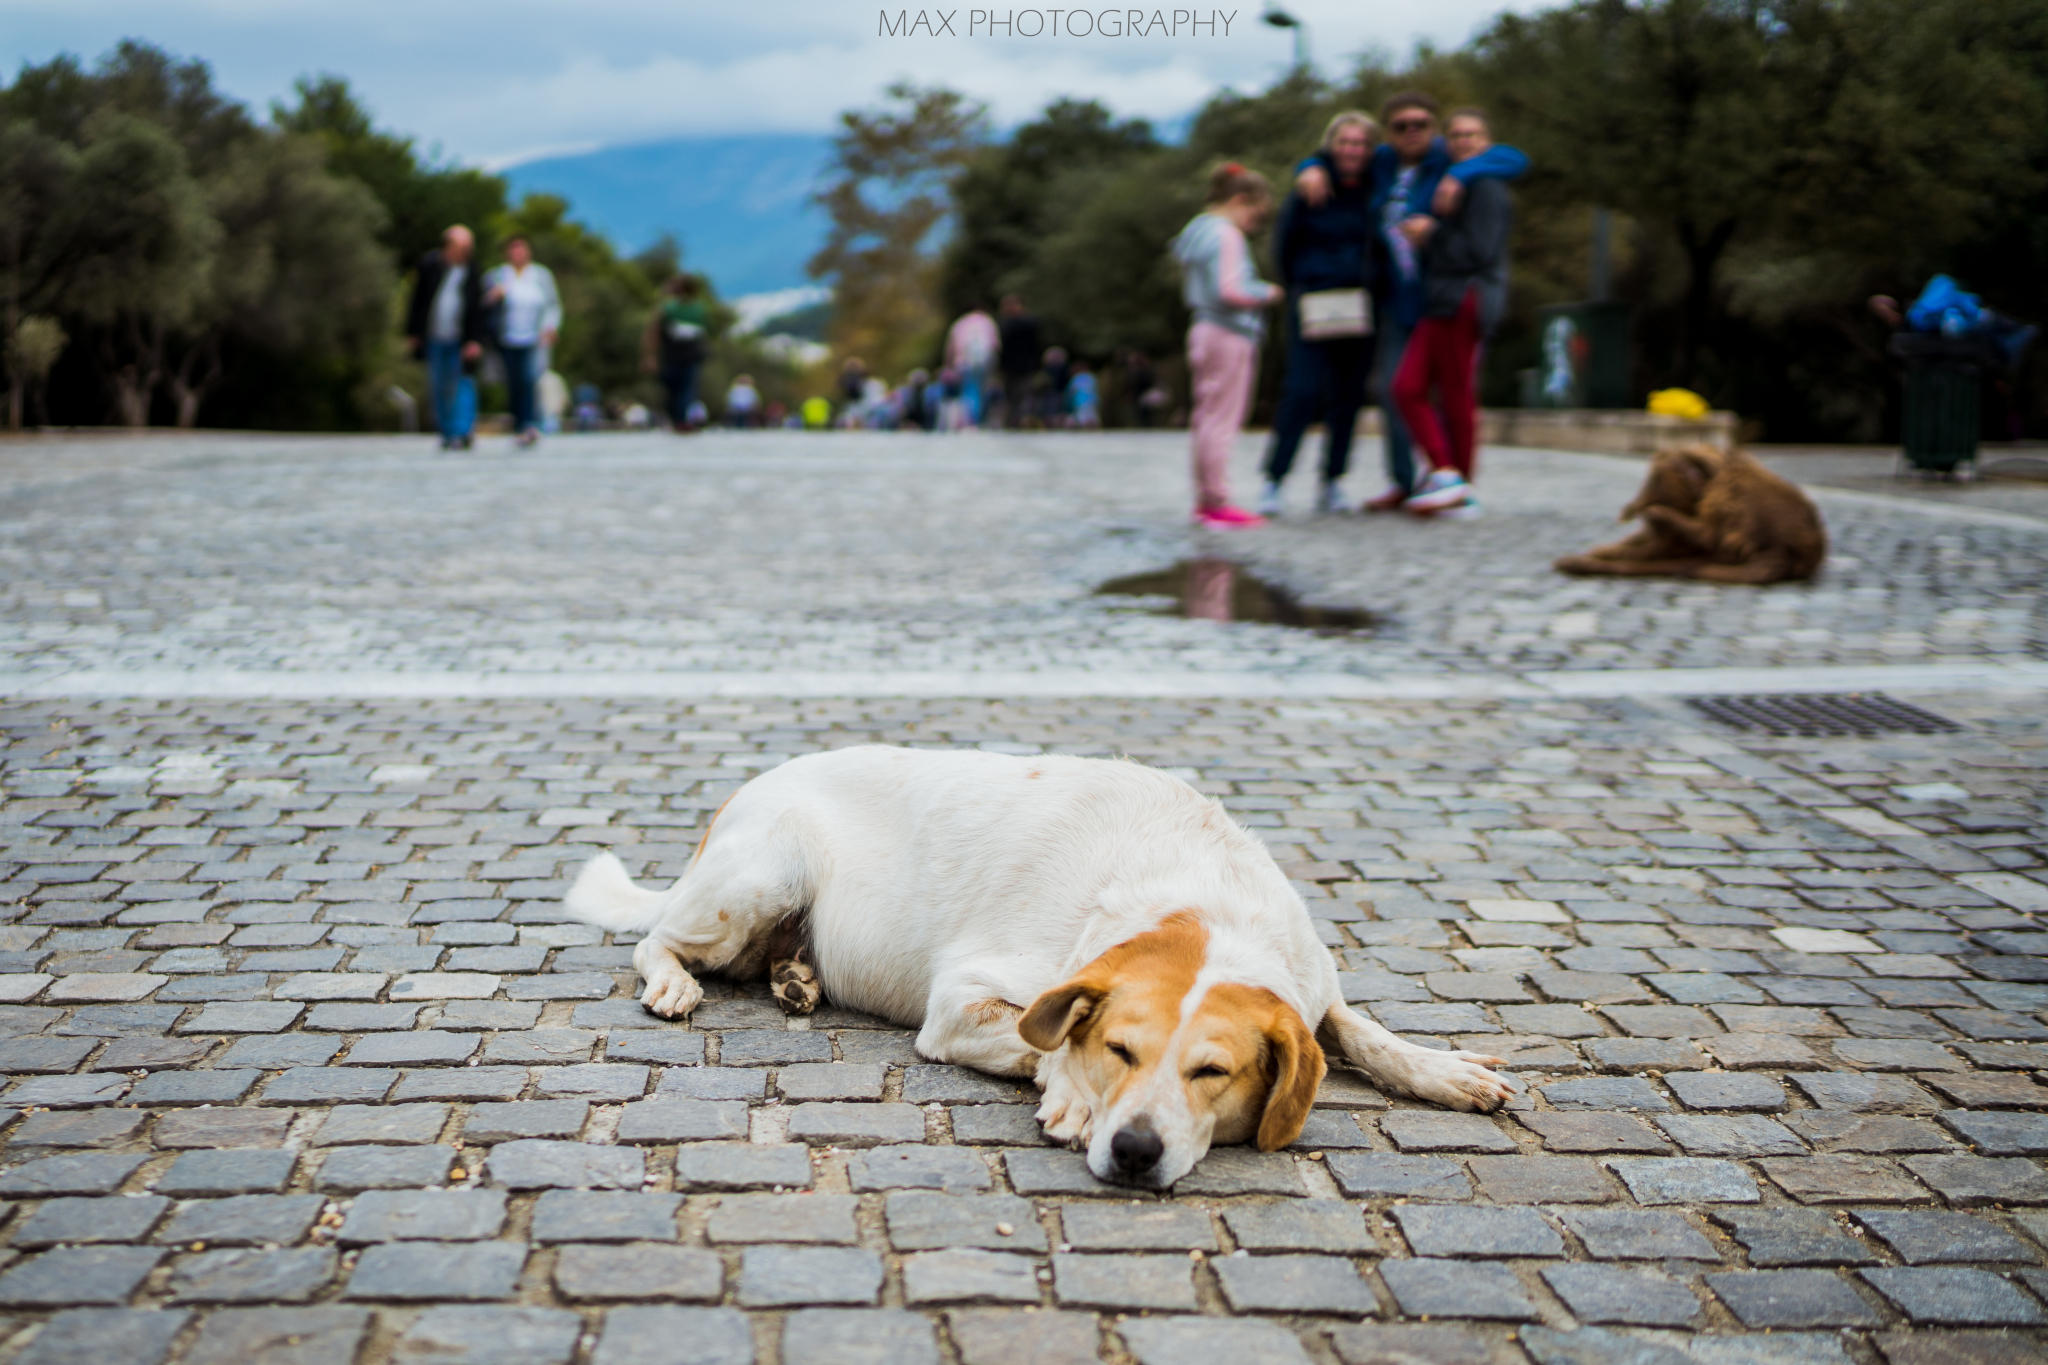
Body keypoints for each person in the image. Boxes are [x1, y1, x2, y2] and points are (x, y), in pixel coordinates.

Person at [1293, 92, 1528, 510]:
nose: (1412, 131)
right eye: (1401, 126)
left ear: (1433, 130)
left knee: (1443, 391)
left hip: (1447, 298)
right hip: (1408, 300)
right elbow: (1336, 155)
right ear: (1390, 133)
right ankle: (1414, 480)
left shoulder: (1452, 166)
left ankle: (1452, 479)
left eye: (1421, 124)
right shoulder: (1383, 163)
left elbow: (1514, 159)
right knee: (1397, 390)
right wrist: (1309, 166)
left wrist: (1461, 175)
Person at [1390, 109, 1516, 519]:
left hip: (1464, 299)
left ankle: (1458, 482)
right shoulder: (1452, 178)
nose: (1464, 141)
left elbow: (1479, 251)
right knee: (1407, 387)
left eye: (1473, 134)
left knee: (1455, 394)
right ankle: (1448, 473)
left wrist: (1432, 234)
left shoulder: (1486, 187)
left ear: (1486, 140)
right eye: (1457, 135)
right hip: (1440, 299)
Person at [1258, 111, 1378, 519]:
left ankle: (1333, 480)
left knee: (1348, 396)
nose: (1352, 151)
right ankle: (1274, 479)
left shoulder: (1376, 188)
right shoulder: (1310, 187)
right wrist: (1302, 286)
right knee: (1303, 391)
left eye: (1360, 143)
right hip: (1313, 301)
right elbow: (1283, 246)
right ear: (1331, 145)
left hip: (1362, 303)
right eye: (1345, 142)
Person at [1171, 162, 1283, 529]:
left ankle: (1205, 497)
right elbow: (1230, 289)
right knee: (1222, 420)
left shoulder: (1198, 230)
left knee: (1205, 418)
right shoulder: (1226, 234)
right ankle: (1219, 500)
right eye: (1256, 212)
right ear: (1239, 200)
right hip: (1228, 333)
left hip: (1202, 329)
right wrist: (1267, 292)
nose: (1256, 222)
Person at [402, 225, 487, 450]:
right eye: (463, 246)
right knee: (438, 384)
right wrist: (413, 332)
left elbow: (476, 308)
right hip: (434, 336)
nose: (467, 251)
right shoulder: (429, 265)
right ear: (448, 246)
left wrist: (475, 339)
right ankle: (446, 431)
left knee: (463, 384)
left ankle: (462, 431)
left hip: (462, 339)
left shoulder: (472, 269)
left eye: (469, 247)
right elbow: (417, 301)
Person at [484, 237, 561, 447]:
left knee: (529, 379)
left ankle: (529, 424)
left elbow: (553, 304)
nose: (518, 254)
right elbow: (482, 304)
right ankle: (518, 423)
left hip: (533, 337)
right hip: (506, 337)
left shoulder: (541, 275)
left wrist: (550, 327)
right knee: (513, 382)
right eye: (513, 250)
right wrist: (493, 296)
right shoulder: (497, 275)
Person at [642, 276, 712, 432]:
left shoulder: (668, 307)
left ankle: (680, 420)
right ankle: (678, 420)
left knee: (683, 390)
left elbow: (653, 332)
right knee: (677, 389)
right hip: (678, 356)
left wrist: (649, 356)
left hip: (683, 356)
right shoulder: (696, 308)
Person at [945, 306, 1000, 426]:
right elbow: (996, 346)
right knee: (982, 389)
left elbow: (951, 348)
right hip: (984, 361)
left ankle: (970, 420)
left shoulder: (959, 324)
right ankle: (979, 419)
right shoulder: (987, 321)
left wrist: (948, 366)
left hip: (963, 362)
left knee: (968, 390)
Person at [996, 296, 1041, 429]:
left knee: (1025, 394)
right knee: (1011, 395)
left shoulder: (1028, 323)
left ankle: (1024, 420)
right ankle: (1013, 420)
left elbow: (1035, 345)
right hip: (1009, 366)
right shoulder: (1004, 324)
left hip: (1026, 365)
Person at [1068, 361, 1101, 428]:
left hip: (1080, 404)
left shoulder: (1076, 378)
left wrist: (1070, 406)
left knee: (1083, 421)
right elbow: (1097, 391)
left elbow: (1070, 393)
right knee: (1093, 420)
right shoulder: (1092, 377)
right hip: (1092, 404)